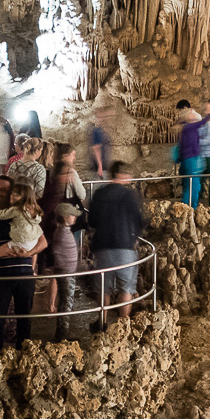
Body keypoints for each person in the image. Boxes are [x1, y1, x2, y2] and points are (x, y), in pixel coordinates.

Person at [0, 177, 44, 347]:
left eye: (1, 190)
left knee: (25, 319)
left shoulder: (23, 211)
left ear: (11, 193)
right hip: (0, 277)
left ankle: (24, 357)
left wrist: (28, 253)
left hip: (24, 275)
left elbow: (43, 242)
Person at [88, 162, 145, 328]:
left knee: (103, 289)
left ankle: (102, 322)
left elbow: (92, 220)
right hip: (125, 246)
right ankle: (123, 325)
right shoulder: (131, 195)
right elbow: (139, 220)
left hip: (103, 247)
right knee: (126, 288)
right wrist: (136, 234)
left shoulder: (99, 194)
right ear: (124, 175)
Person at [42, 202, 83, 340]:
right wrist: (60, 267)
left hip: (67, 271)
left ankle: (62, 331)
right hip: (66, 272)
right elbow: (57, 251)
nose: (75, 218)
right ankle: (63, 332)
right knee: (67, 302)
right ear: (65, 217)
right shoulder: (61, 232)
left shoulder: (62, 231)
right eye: (72, 215)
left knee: (65, 301)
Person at [175, 101, 207, 208]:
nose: (179, 113)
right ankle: (189, 207)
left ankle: (188, 206)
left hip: (192, 156)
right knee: (192, 184)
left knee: (191, 184)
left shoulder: (192, 120)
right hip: (191, 157)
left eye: (180, 110)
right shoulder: (186, 124)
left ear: (185, 108)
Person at [88, 106, 113, 177]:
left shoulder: (102, 131)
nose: (102, 119)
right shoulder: (97, 131)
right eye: (100, 117)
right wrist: (100, 166)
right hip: (100, 169)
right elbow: (96, 149)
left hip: (104, 167)